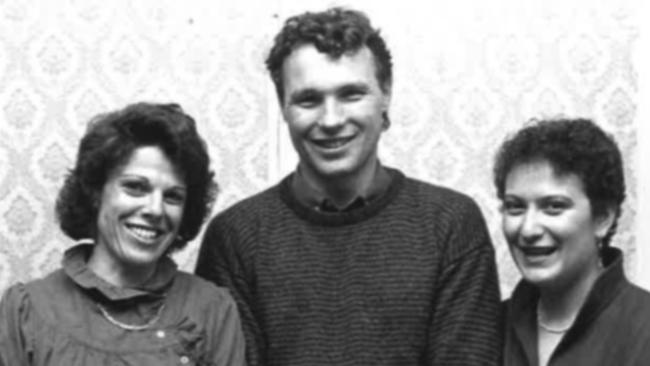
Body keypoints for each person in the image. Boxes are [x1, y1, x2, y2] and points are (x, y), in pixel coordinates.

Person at [195, 7, 501, 366]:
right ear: (283, 108)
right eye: (309, 100)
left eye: (351, 94)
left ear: (385, 95)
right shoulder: (235, 237)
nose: (331, 120)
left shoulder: (450, 224)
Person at [0, 103, 246, 365]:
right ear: (95, 192)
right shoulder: (27, 310)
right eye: (135, 187)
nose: (155, 209)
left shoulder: (212, 309)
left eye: (172, 196)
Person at [494, 118, 650, 365]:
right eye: (515, 207)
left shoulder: (643, 327)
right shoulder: (489, 328)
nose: (528, 229)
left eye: (554, 207)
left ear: (602, 219)